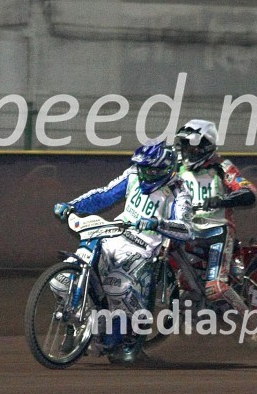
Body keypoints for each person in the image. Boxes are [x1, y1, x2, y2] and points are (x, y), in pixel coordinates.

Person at [52, 141, 193, 359]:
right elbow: (104, 195)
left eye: (152, 169)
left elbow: (186, 230)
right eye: (144, 168)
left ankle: (130, 338)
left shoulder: (179, 191)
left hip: (144, 248)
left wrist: (158, 224)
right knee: (62, 277)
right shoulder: (133, 175)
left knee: (116, 287)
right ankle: (74, 324)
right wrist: (72, 206)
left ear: (165, 169)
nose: (146, 173)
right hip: (114, 234)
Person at [174, 119, 257, 315]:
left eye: (193, 147)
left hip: (218, 230)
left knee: (215, 287)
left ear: (206, 146)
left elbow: (249, 191)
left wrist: (221, 200)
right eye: (185, 146)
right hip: (188, 230)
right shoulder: (178, 167)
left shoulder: (222, 166)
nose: (188, 151)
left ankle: (252, 324)